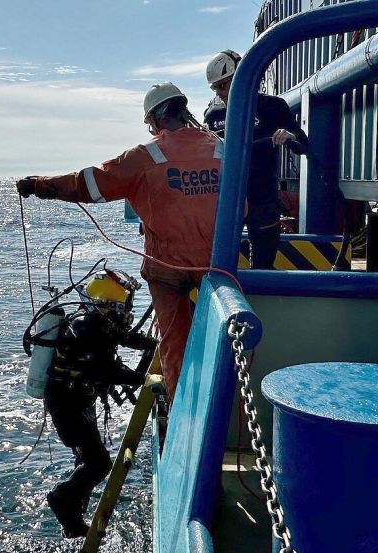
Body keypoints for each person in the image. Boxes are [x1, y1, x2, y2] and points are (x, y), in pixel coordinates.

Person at [16, 82, 223, 404]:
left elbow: (89, 184)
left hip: (167, 267)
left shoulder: (146, 156)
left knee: (174, 337)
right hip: (217, 261)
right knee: (221, 332)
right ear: (184, 110)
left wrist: (39, 186)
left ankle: (183, 401)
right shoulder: (221, 147)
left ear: (154, 119)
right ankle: (223, 393)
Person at [33, 270, 155, 538]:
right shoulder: (89, 331)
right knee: (98, 463)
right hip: (68, 405)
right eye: (125, 305)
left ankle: (74, 512)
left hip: (76, 401)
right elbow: (108, 370)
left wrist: (152, 343)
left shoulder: (95, 324)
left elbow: (123, 338)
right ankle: (62, 500)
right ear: (112, 306)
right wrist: (147, 379)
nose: (128, 311)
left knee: (88, 459)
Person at [204, 49, 308, 269]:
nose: (220, 93)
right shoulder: (213, 116)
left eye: (223, 85)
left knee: (263, 263)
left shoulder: (273, 107)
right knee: (217, 264)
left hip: (263, 199)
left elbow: (303, 144)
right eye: (216, 88)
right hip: (226, 201)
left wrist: (289, 136)